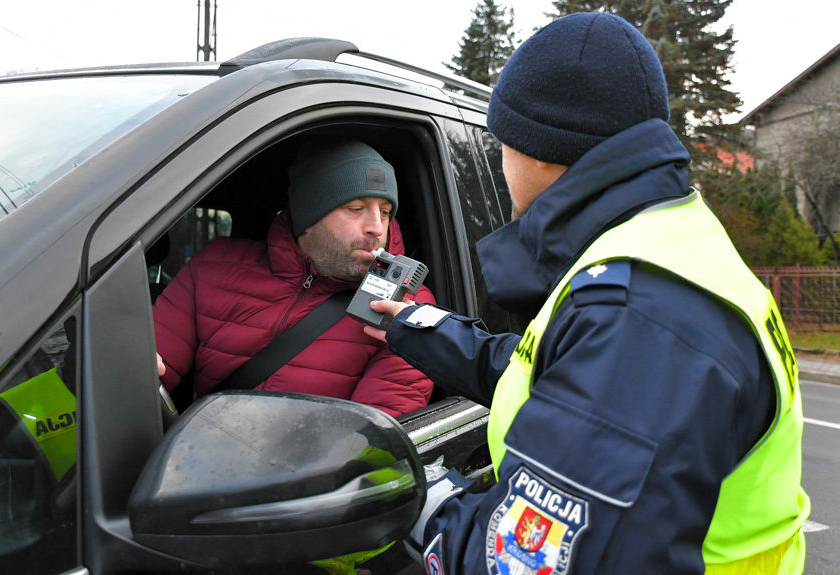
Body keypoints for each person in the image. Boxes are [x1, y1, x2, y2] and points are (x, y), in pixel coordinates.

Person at [365, 12, 810, 574]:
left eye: (504, 143)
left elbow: (527, 561)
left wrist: (434, 507)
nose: (501, 165)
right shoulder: (664, 242)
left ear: (541, 150)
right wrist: (416, 324)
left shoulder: (640, 316)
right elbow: (549, 373)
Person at [153, 138, 435, 418]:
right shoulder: (214, 267)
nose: (377, 227)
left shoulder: (407, 308)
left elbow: (369, 444)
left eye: (385, 212)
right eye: (356, 208)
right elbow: (142, 373)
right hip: (197, 454)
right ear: (309, 217)